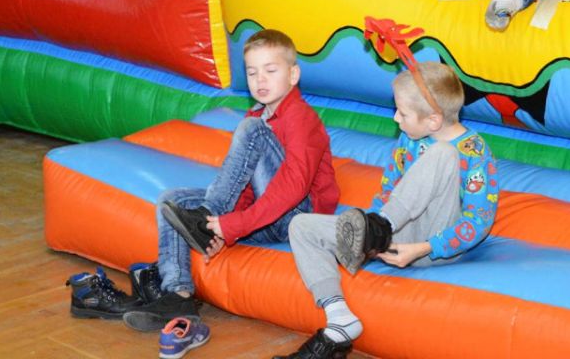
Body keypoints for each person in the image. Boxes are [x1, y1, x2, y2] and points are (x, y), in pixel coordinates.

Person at [274, 62, 498, 359]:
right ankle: (339, 318)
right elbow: (389, 190)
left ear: (433, 120)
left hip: (432, 244)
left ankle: (375, 231)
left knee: (443, 153)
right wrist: (375, 231)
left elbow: (478, 221)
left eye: (402, 113)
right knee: (301, 226)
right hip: (390, 233)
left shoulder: (473, 150)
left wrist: (423, 248)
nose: (395, 118)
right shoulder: (409, 138)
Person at [122, 29, 340, 333]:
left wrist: (234, 224)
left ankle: (205, 215)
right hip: (264, 218)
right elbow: (245, 184)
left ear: (293, 75)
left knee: (251, 129)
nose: (260, 80)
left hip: (296, 218)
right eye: (252, 72)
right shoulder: (256, 114)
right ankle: (178, 295)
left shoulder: (301, 118)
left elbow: (294, 185)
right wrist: (224, 229)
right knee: (171, 201)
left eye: (270, 70)